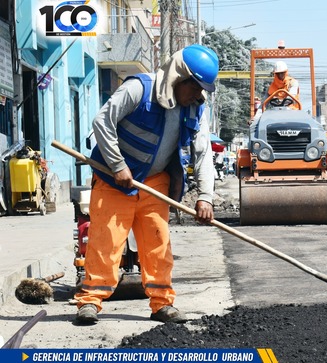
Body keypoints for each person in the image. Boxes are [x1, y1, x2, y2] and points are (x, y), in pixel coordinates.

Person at [74, 44, 219, 325]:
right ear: (179, 77)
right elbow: (102, 121)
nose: (199, 95)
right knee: (106, 242)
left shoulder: (195, 109)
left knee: (157, 244)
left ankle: (162, 304)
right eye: (196, 87)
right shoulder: (139, 89)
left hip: (154, 181)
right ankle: (90, 301)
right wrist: (118, 165)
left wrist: (206, 197)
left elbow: (203, 154)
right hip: (113, 180)